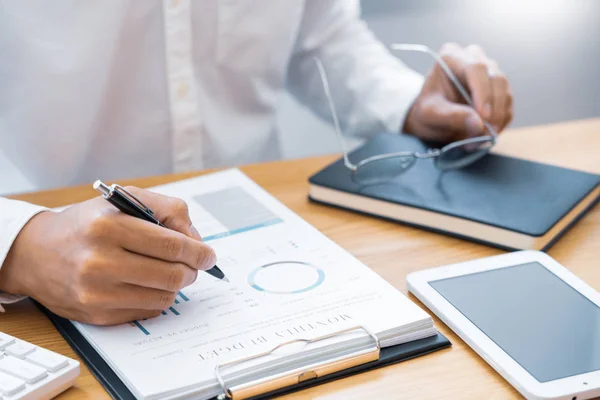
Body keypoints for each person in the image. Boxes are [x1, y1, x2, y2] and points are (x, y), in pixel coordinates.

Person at [0, 1, 513, 325]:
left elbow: (320, 32)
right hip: (37, 238)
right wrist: (18, 246)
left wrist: (406, 103)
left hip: (263, 211)